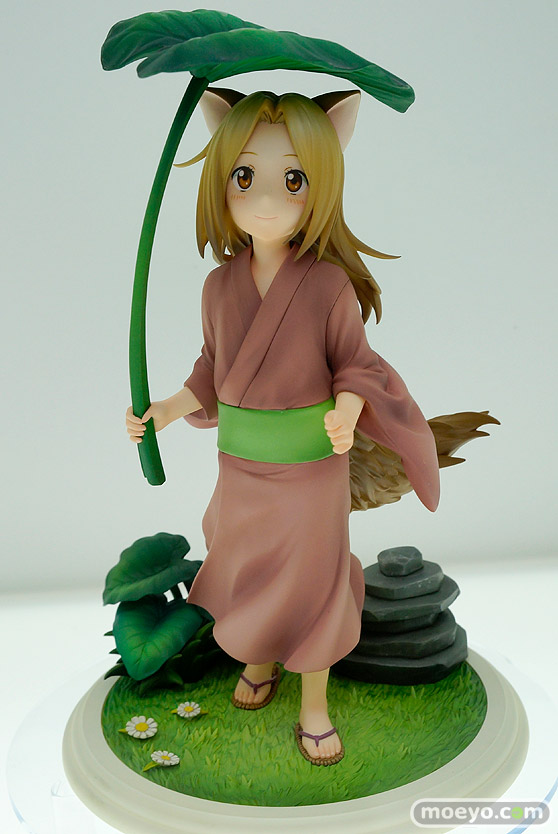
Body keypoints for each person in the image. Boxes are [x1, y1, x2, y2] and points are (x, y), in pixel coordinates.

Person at [126, 88, 440, 766]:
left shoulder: (327, 286)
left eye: (292, 180)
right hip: (241, 470)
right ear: (222, 181)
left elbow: (355, 365)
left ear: (320, 185)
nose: (266, 198)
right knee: (244, 567)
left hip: (309, 471)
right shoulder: (218, 288)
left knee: (312, 579)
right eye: (245, 176)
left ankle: (315, 703)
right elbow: (210, 372)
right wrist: (167, 410)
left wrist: (347, 411)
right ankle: (260, 658)